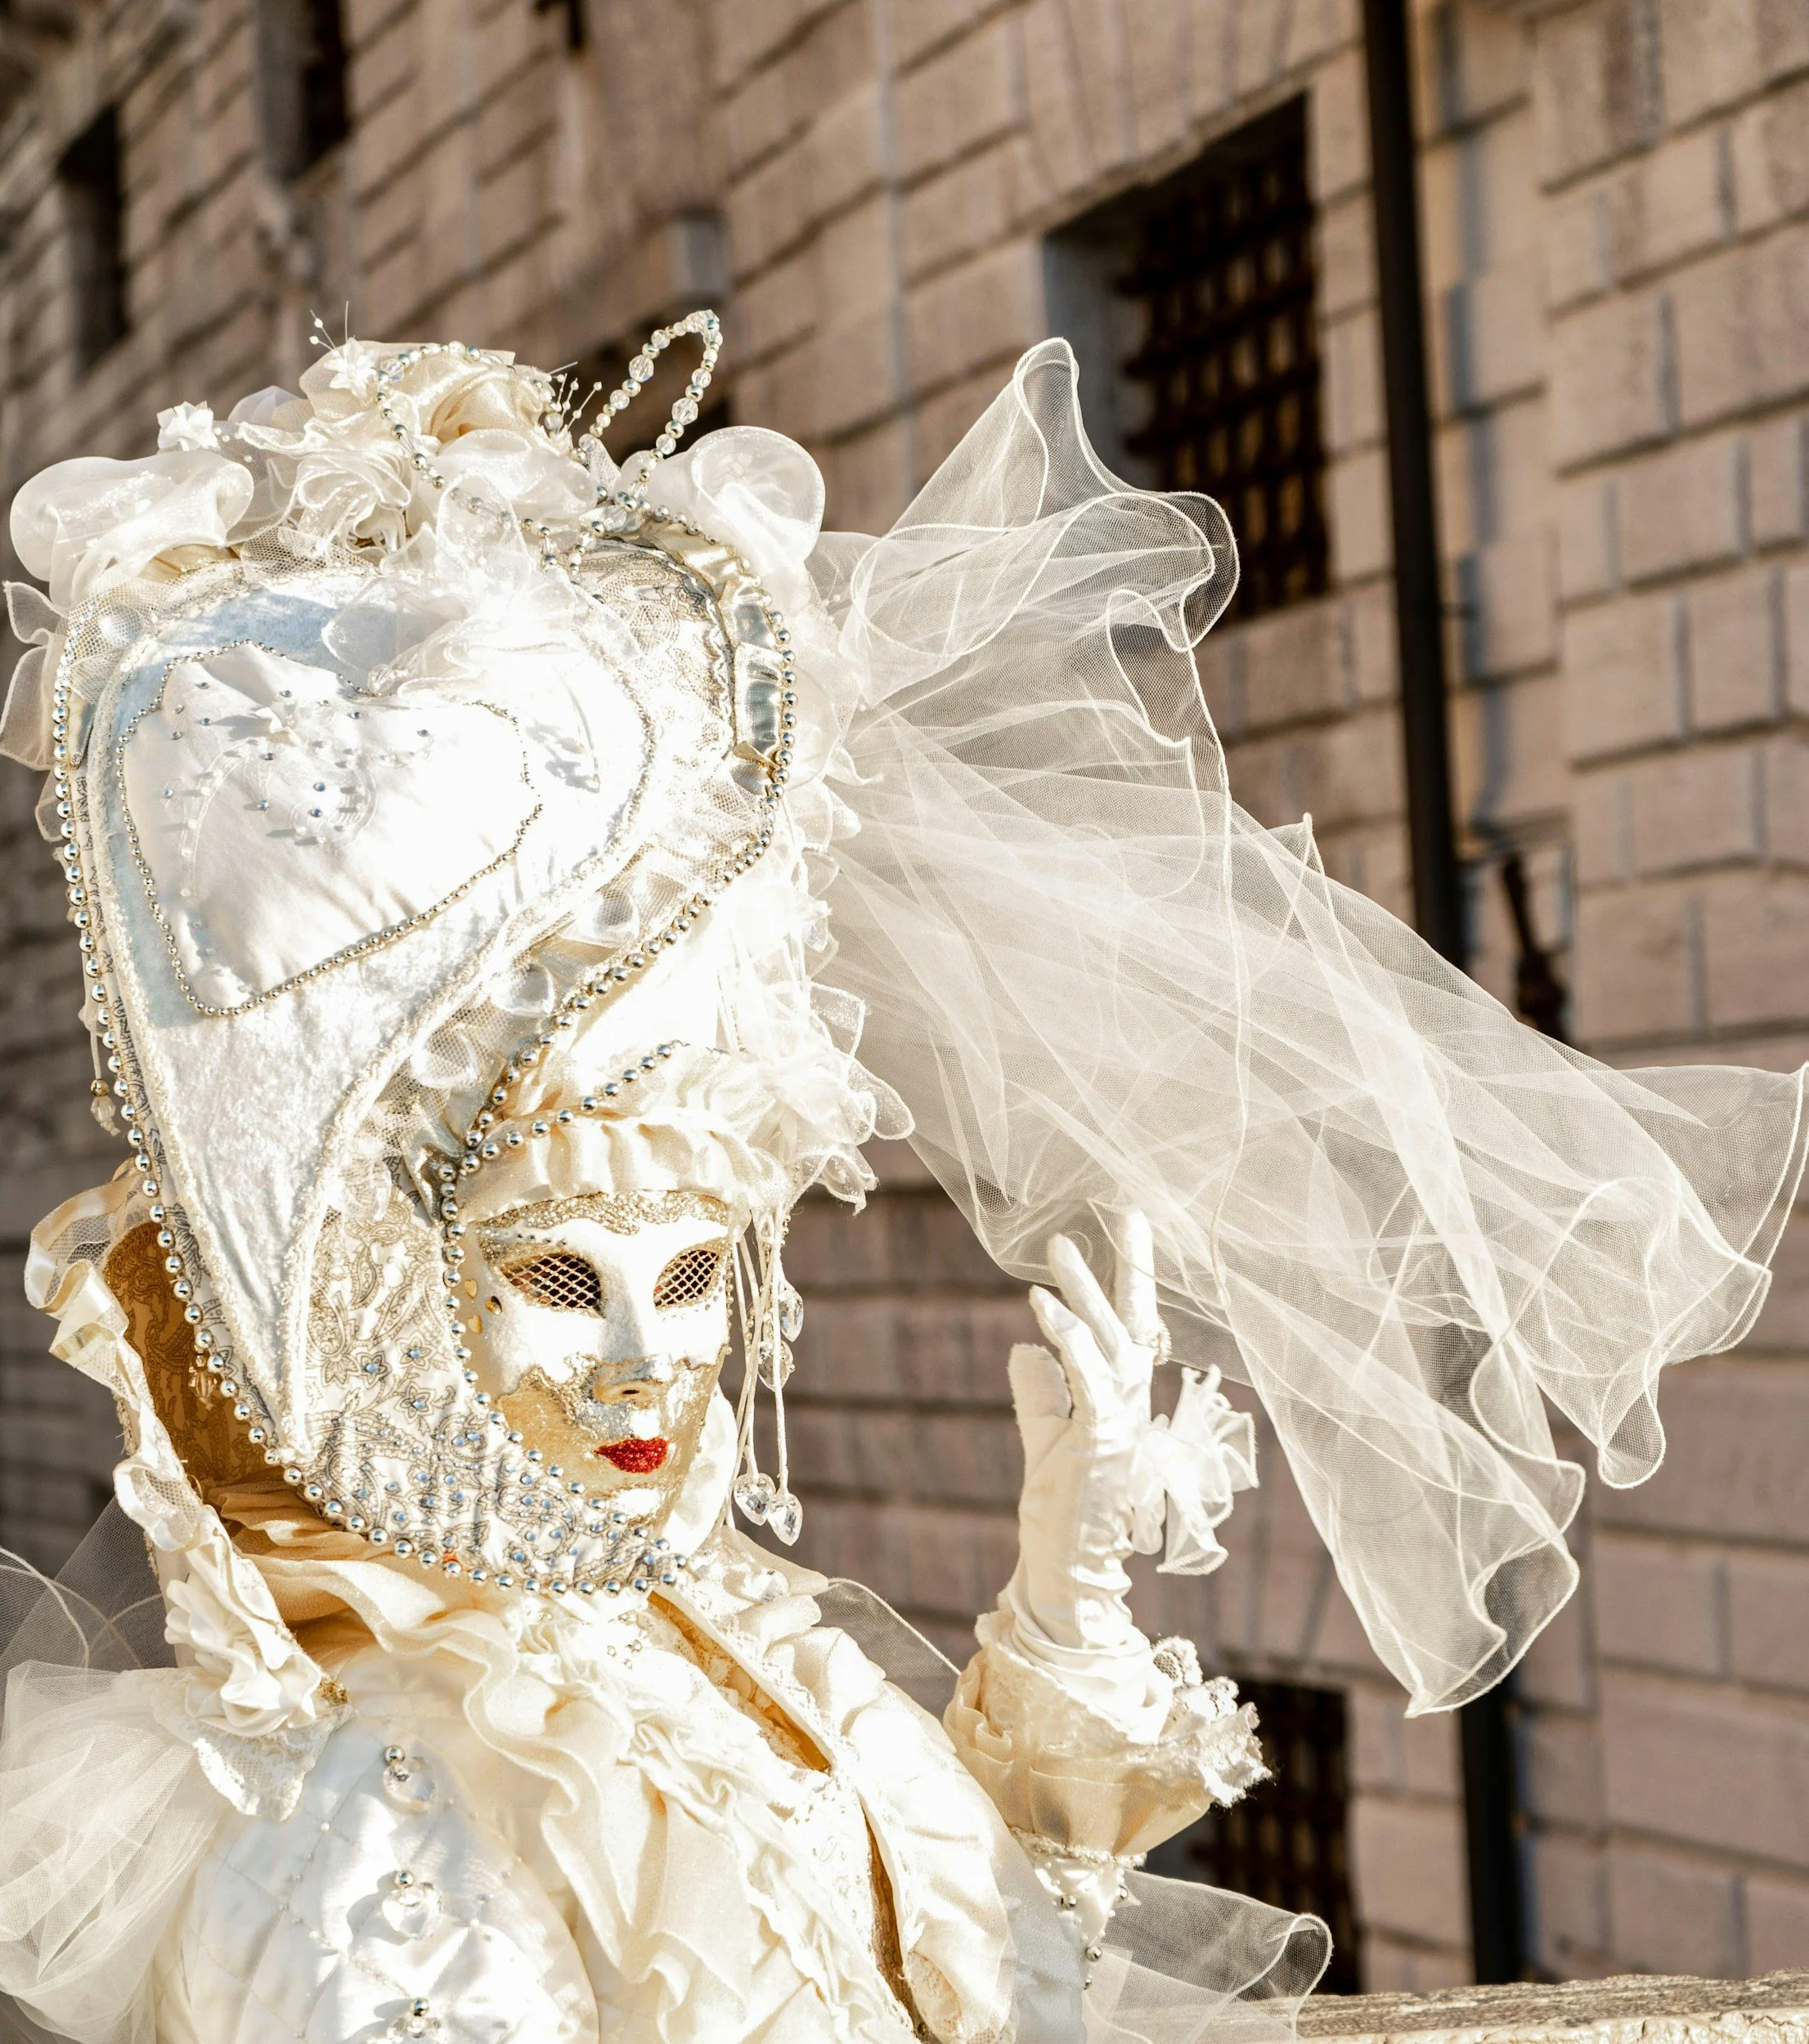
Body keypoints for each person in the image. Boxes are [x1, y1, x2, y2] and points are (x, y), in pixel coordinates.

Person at [0, 315, 1800, 2044]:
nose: (649, 1362)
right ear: (400, 1299)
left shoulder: (746, 1641)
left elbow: (1012, 1958)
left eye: (693, 1279)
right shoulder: (377, 1797)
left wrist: (1061, 1575)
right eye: (560, 1280)